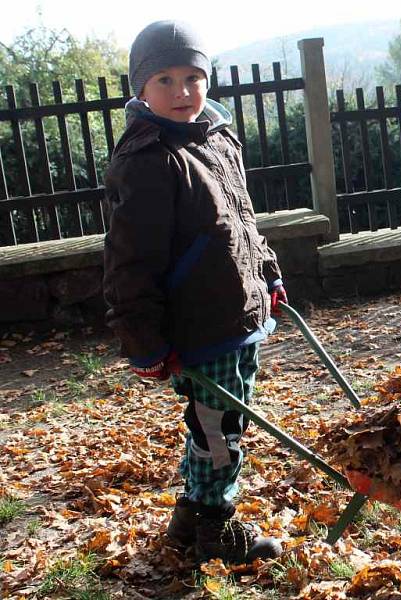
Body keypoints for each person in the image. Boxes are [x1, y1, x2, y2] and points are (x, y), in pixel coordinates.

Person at [103, 20, 285, 564]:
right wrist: (146, 345)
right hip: (198, 327)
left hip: (236, 313)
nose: (182, 92)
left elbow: (241, 220)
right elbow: (129, 264)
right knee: (221, 428)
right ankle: (215, 528)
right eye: (165, 79)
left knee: (217, 422)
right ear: (140, 88)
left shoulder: (216, 138)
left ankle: (188, 519)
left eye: (192, 77)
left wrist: (269, 273)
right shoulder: (148, 161)